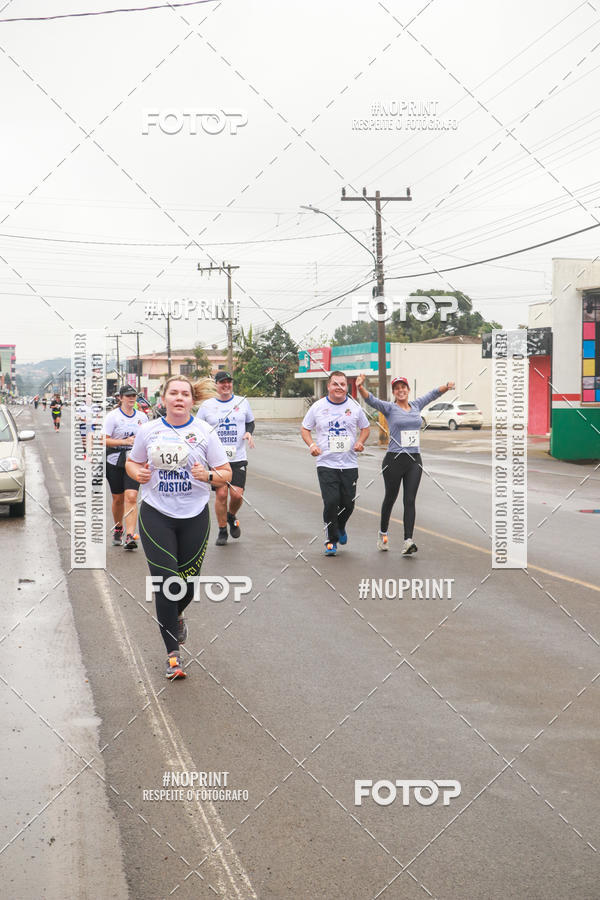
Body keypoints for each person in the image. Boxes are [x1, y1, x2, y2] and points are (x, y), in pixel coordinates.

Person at [126, 376, 231, 680]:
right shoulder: (149, 430)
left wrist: (207, 475)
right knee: (166, 582)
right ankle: (173, 655)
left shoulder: (204, 432)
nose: (179, 398)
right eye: (174, 393)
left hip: (194, 515)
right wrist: (139, 474)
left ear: (192, 400)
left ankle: (178, 614)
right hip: (157, 513)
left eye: (185, 394)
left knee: (187, 585)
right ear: (164, 398)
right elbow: (133, 464)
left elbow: (225, 474)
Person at [356, 373, 455, 555]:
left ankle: (408, 540)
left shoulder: (416, 405)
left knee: (409, 500)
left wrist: (446, 386)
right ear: (394, 392)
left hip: (414, 460)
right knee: (390, 499)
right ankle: (383, 534)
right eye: (397, 388)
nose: (401, 390)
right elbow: (371, 400)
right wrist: (360, 387)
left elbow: (433, 394)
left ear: (408, 390)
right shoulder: (389, 408)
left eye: (404, 387)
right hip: (393, 460)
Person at [301, 371, 370, 556]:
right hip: (326, 463)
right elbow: (305, 429)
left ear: (347, 387)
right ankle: (331, 540)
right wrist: (312, 445)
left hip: (349, 464)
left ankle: (340, 526)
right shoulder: (318, 407)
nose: (339, 388)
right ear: (328, 386)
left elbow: (365, 427)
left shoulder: (354, 407)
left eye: (343, 384)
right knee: (331, 502)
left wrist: (360, 442)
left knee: (348, 504)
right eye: (335, 384)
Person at [196, 371, 255, 546]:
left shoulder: (242, 402)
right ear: (216, 385)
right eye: (222, 382)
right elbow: (198, 427)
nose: (226, 385)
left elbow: (250, 422)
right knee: (221, 494)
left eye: (229, 382)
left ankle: (231, 515)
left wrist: (248, 433)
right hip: (216, 459)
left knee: (237, 494)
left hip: (237, 457)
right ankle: (222, 530)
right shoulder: (207, 406)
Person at [103, 385, 149, 549]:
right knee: (118, 499)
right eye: (128, 396)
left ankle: (130, 535)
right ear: (120, 398)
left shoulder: (143, 418)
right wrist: (124, 441)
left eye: (134, 396)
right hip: (114, 460)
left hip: (134, 461)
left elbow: (147, 439)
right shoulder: (112, 417)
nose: (131, 398)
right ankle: (118, 527)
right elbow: (103, 439)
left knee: (131, 496)